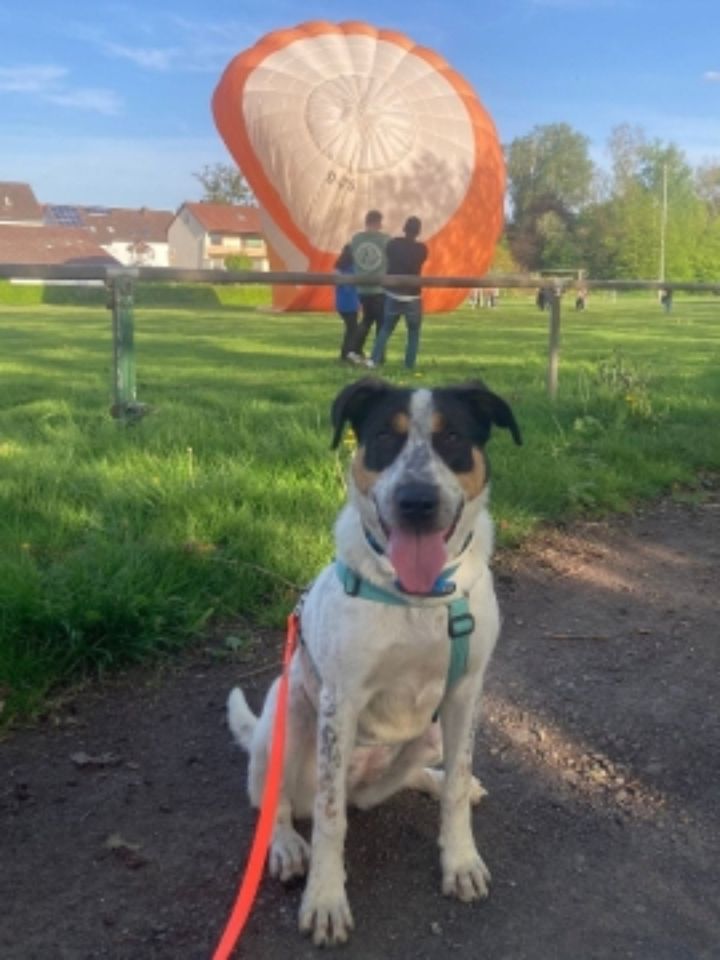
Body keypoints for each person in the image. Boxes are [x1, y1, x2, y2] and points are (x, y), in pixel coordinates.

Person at [368, 216, 428, 370]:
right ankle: (409, 365)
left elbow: (389, 258)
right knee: (413, 332)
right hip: (413, 295)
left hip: (393, 293)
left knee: (386, 328)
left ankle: (373, 360)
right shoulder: (422, 249)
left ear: (404, 228)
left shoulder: (393, 244)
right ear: (418, 232)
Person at [350, 210, 389, 358]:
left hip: (362, 287)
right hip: (380, 287)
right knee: (381, 323)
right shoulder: (385, 239)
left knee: (366, 320)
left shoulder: (356, 239)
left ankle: (354, 350)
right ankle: (378, 355)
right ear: (378, 222)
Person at [334, 244, 363, 364]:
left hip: (341, 303)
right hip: (351, 303)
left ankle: (349, 352)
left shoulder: (338, 266)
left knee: (351, 329)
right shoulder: (354, 267)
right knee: (352, 330)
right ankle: (348, 353)